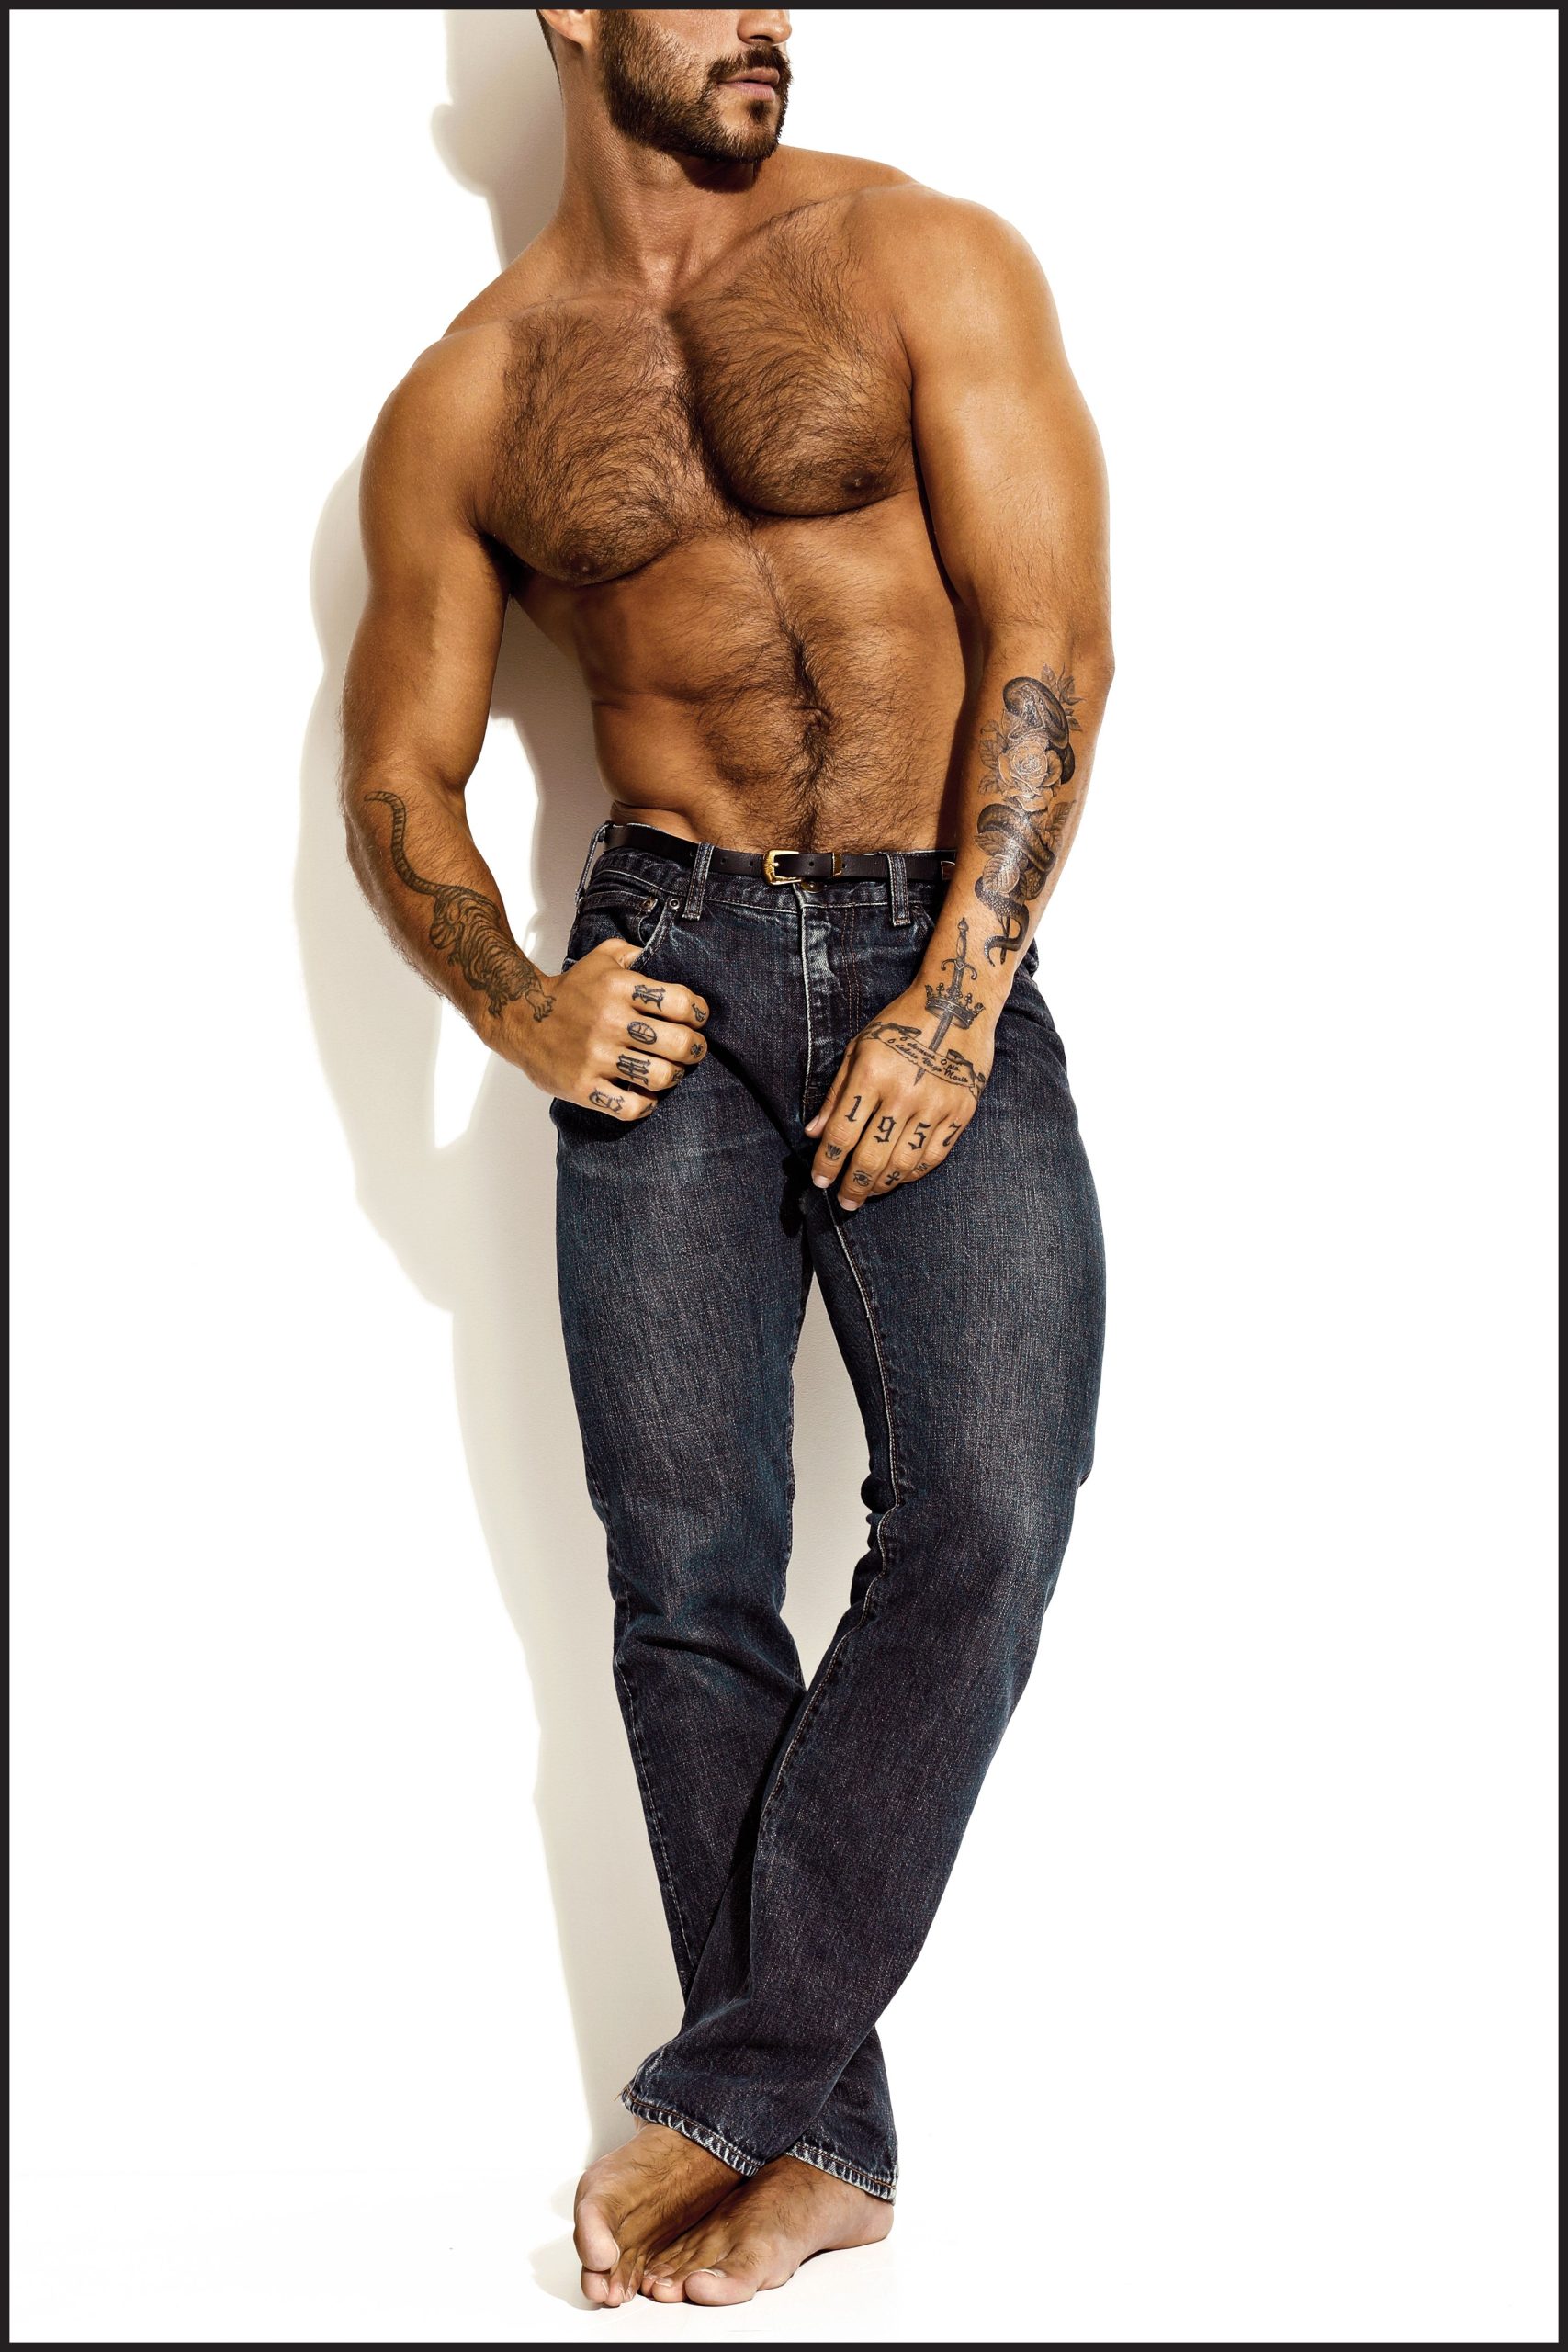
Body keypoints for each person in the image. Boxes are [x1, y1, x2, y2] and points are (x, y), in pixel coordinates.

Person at [342, 6, 1111, 2309]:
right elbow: (397, 773)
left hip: (919, 937)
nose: (768, 13)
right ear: (570, 15)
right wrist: (517, 1002)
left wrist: (954, 998)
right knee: (685, 1575)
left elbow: (1050, 639)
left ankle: (733, 2083)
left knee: (985, 1513)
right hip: (657, 960)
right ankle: (820, 2148)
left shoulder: (920, 257)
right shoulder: (471, 392)